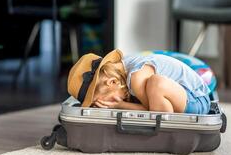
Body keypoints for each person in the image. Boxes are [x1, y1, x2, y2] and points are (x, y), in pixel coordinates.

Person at [67, 49, 211, 114]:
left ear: (111, 82)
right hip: (180, 97)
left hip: (197, 99)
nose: (107, 106)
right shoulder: (123, 68)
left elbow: (154, 111)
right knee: (153, 87)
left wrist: (119, 105)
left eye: (106, 101)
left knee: (156, 83)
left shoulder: (136, 76)